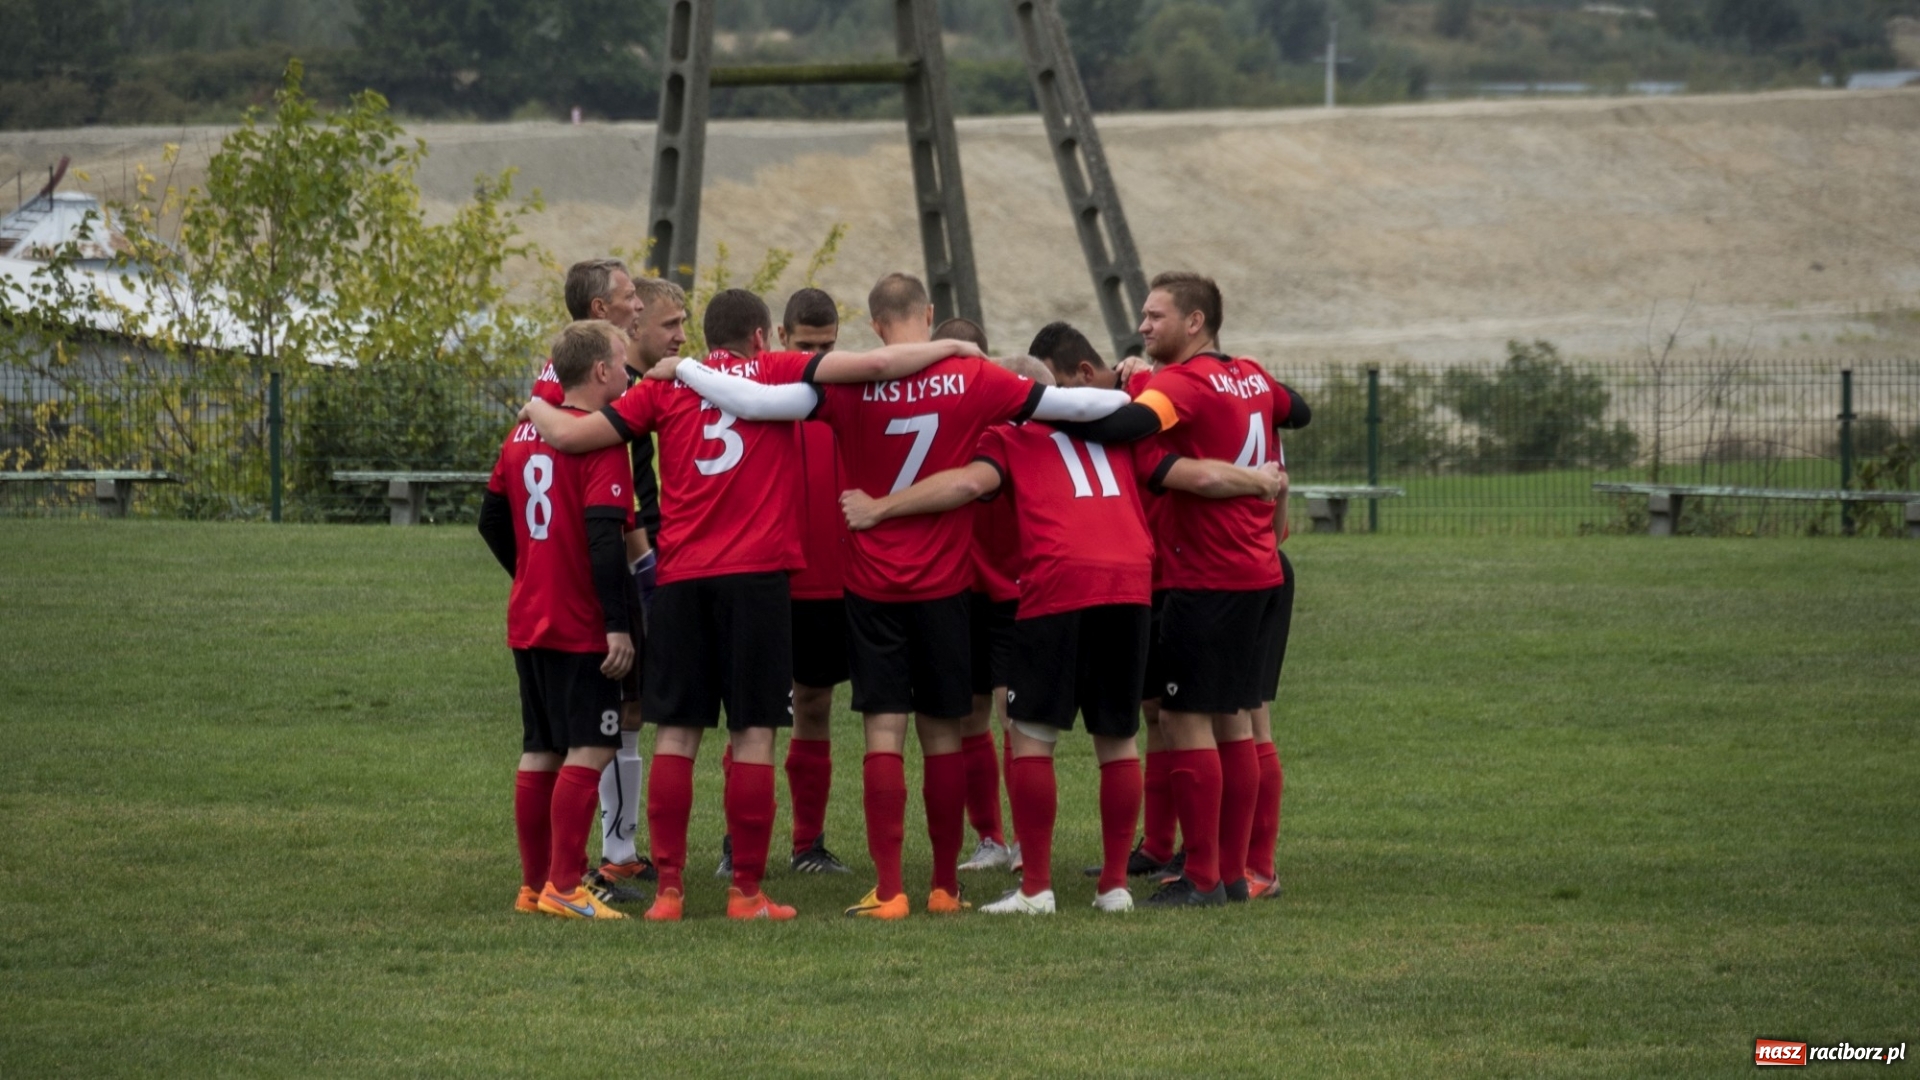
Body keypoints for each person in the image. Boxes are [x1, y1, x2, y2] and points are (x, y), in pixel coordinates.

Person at [662, 272, 1132, 919]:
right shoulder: (974, 378)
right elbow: (1071, 407)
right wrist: (1145, 398)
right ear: (929, 314)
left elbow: (758, 405)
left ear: (875, 325)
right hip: (946, 585)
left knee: (883, 728)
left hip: (872, 582)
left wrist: (686, 369)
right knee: (944, 732)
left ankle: (889, 888)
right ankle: (944, 886)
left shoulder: (847, 385)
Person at [522, 288, 990, 921]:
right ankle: (746, 891)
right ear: (764, 337)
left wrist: (533, 404)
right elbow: (878, 366)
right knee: (754, 735)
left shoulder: (664, 387)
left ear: (709, 337)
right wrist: (956, 346)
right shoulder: (775, 372)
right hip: (759, 577)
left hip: (683, 577)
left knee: (678, 734)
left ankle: (668, 891)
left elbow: (576, 437)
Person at [839, 357, 1285, 913]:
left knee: (1031, 734)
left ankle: (1036, 889)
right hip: (1130, 583)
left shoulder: (1010, 436)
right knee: (1118, 737)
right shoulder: (1119, 430)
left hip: (1059, 580)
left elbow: (965, 483)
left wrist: (881, 508)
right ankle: (1116, 886)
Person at [1038, 273, 1309, 906]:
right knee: (1233, 721)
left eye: (1156, 316)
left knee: (1195, 721)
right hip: (1253, 566)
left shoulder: (1179, 385)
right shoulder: (1249, 373)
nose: (1143, 325)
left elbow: (1131, 427)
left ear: (1195, 322)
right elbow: (1298, 409)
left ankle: (1209, 875)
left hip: (1211, 574)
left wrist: (1044, 403)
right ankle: (1234, 871)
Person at [529, 262, 692, 901]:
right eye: (640, 306)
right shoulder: (597, 385)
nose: (677, 333)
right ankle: (608, 856)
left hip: (606, 562)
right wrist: (640, 566)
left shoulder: (586, 377)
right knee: (610, 710)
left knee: (620, 710)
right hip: (615, 563)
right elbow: (602, 501)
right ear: (607, 312)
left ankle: (604, 852)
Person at [478, 320, 638, 920]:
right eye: (622, 362)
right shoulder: (598, 440)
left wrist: (530, 571)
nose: (628, 372)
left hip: (529, 616)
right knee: (592, 748)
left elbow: (490, 520)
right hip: (578, 622)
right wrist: (617, 627)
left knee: (540, 749)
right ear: (600, 371)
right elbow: (605, 541)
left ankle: (532, 885)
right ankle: (566, 887)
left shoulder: (521, 434)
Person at [712, 287, 855, 878]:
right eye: (806, 346)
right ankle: (736, 846)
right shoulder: (757, 398)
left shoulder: (849, 396)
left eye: (826, 347)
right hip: (766, 575)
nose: (816, 357)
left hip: (834, 580)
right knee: (754, 714)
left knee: (817, 705)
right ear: (780, 340)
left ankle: (808, 845)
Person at [934, 316, 1018, 876]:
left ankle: (1022, 844)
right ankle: (989, 837)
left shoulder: (1014, 414)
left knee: (1016, 715)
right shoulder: (933, 419)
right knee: (969, 715)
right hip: (958, 586)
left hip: (1013, 587)